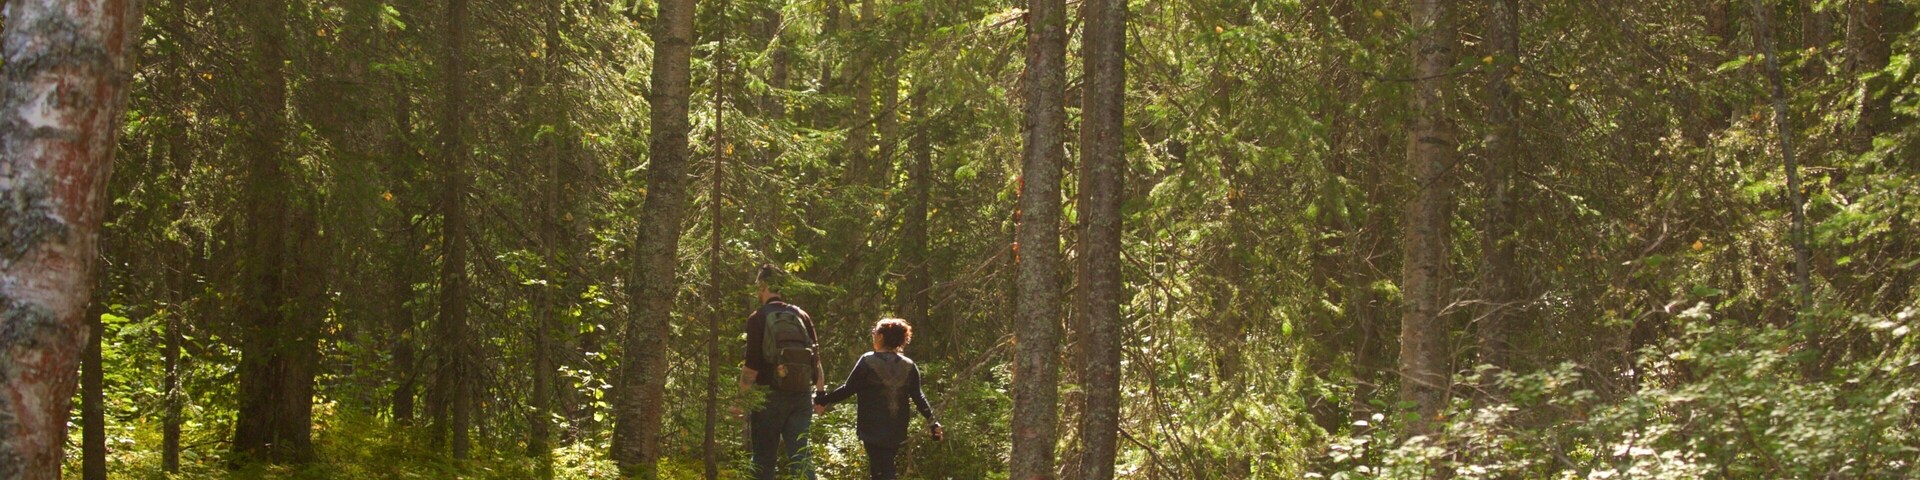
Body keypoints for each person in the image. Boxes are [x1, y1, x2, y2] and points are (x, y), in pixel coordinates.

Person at [815, 318, 944, 480]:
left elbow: (848, 389)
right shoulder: (909, 365)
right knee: (881, 469)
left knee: (883, 470)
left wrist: (822, 400)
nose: (873, 335)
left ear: (881, 336)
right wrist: (933, 422)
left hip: (872, 428)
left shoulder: (868, 361)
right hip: (896, 428)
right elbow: (919, 397)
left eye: (874, 332)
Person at [741, 264, 826, 480]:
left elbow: (751, 366)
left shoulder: (758, 318)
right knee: (801, 456)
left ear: (763, 285)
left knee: (763, 459)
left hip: (768, 397)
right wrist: (820, 395)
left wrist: (741, 400)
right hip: (801, 395)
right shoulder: (801, 315)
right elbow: (815, 360)